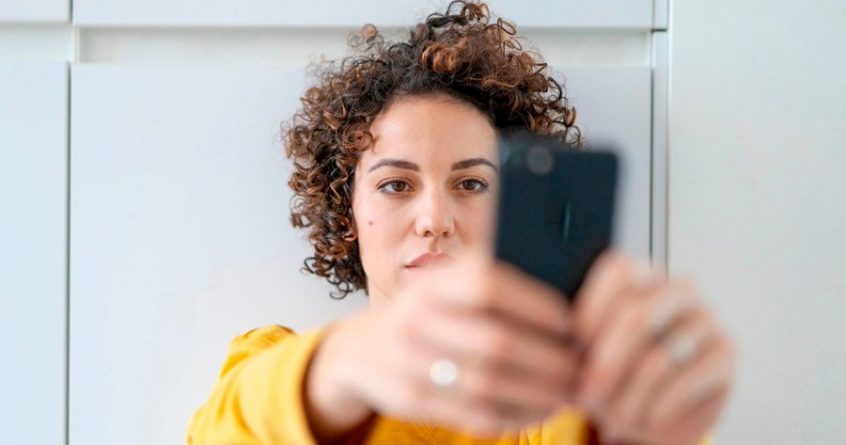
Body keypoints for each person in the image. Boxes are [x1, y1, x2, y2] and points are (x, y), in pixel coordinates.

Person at [186, 1, 735, 444]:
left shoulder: (552, 409)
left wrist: (643, 411)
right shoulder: (277, 368)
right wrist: (344, 362)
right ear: (347, 210)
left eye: (471, 184)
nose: (434, 220)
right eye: (396, 185)